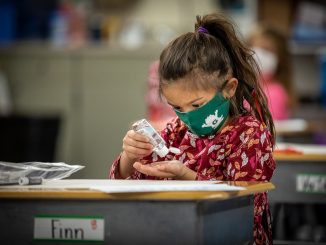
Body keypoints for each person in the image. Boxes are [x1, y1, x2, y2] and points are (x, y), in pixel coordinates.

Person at [109, 12, 276, 244]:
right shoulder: (175, 131)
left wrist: (185, 176)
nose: (188, 115)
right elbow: (131, 181)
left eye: (197, 105)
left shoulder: (250, 135)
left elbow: (246, 205)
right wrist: (129, 155)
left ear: (229, 88)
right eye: (176, 106)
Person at [247, 23, 296, 120]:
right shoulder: (246, 84)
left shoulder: (275, 92)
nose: (257, 53)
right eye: (253, 47)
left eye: (266, 49)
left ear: (280, 58)